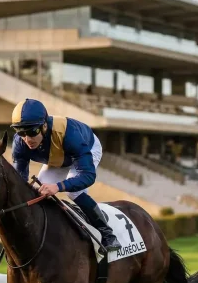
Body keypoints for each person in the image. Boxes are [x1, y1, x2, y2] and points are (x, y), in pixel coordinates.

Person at [9, 98, 122, 252]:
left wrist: (58, 186)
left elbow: (88, 176)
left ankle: (108, 235)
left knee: (73, 191)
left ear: (44, 126)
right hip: (57, 156)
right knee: (37, 193)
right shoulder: (20, 144)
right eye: (21, 132)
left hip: (87, 147)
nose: (28, 139)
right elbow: (19, 181)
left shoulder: (70, 135)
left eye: (32, 132)